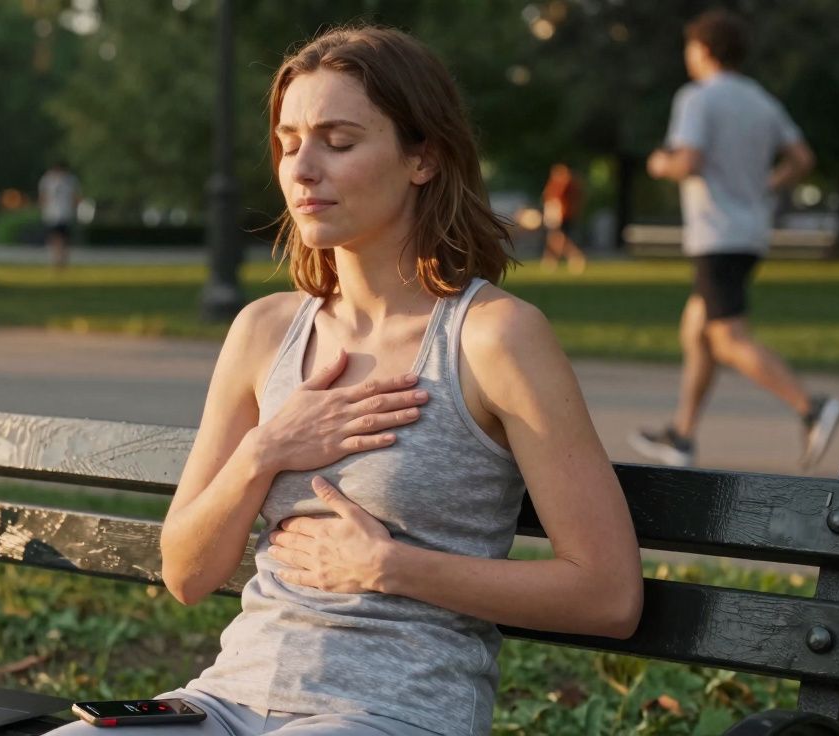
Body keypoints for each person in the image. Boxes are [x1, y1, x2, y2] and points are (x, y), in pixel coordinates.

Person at [48, 25, 642, 736]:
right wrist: (266, 449)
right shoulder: (265, 331)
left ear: (422, 157)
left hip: (391, 712)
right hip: (226, 702)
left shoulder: (493, 338)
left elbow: (607, 594)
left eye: (338, 140)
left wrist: (391, 567)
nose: (301, 169)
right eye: (289, 140)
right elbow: (185, 572)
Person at [629, 10, 839, 469]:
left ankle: (811, 407)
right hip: (750, 231)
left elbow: (687, 161)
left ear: (704, 50)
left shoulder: (698, 97)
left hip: (717, 234)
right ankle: (681, 436)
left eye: (690, 47)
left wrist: (658, 164)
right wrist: (768, 183)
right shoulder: (761, 100)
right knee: (697, 330)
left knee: (726, 338)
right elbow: (802, 157)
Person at [540, 163, 587, 272]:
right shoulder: (570, 185)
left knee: (558, 238)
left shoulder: (563, 185)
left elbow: (552, 199)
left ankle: (574, 256)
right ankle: (552, 258)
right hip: (563, 214)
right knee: (558, 238)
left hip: (560, 215)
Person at [38, 161, 79, 269]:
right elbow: (43, 197)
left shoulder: (70, 180)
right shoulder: (47, 180)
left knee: (64, 239)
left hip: (65, 213)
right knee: (55, 238)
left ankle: (62, 261)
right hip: (52, 214)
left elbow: (74, 197)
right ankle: (56, 260)